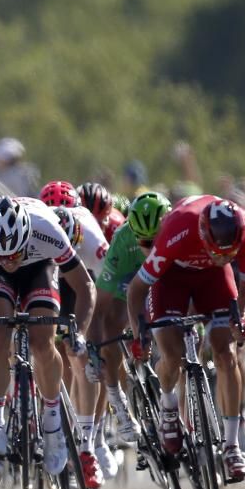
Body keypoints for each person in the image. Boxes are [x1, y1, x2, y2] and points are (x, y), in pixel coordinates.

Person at [126, 195, 245, 482]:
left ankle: (232, 447)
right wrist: (140, 333)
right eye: (218, 251)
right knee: (172, 354)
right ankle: (168, 407)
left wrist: (243, 318)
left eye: (230, 253)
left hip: (213, 278)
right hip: (171, 278)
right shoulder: (177, 230)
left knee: (226, 354)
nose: (224, 257)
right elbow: (137, 289)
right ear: (203, 234)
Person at [0, 197, 95, 475]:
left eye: (14, 254)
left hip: (39, 267)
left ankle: (53, 421)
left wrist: (79, 332)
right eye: (2, 255)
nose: (9, 261)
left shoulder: (47, 230)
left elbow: (85, 287)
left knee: (42, 342)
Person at [91, 192, 172, 471]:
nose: (150, 248)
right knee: (110, 327)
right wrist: (94, 349)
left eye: (155, 241)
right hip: (127, 279)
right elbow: (100, 305)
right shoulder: (122, 239)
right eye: (145, 243)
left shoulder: (176, 233)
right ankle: (118, 399)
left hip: (163, 281)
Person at [40, 179, 109, 489]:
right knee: (49, 352)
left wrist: (85, 333)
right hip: (46, 279)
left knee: (84, 355)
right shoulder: (38, 230)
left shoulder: (90, 233)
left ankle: (87, 445)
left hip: (83, 282)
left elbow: (105, 287)